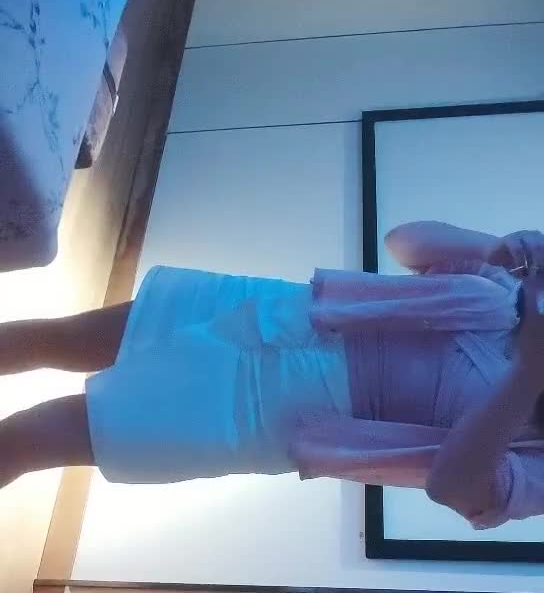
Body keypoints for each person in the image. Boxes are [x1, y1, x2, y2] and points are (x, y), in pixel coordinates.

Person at [1, 221, 544, 532]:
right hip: (278, 313)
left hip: (277, 409)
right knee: (56, 338)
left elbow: (453, 486)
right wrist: (497, 251)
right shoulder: (519, 299)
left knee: (30, 437)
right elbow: (405, 242)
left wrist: (528, 375)